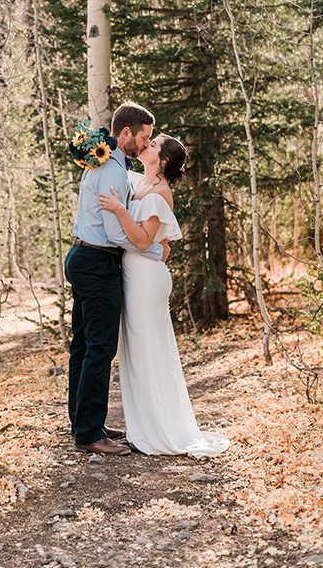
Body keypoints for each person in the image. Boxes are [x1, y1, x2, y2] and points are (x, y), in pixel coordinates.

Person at [98, 134, 230, 457]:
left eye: (154, 145)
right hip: (133, 274)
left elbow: (144, 242)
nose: (147, 146)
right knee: (134, 351)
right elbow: (156, 245)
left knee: (148, 350)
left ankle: (157, 431)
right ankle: (142, 426)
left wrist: (118, 209)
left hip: (146, 278)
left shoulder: (160, 194)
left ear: (164, 160)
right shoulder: (136, 181)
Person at [65, 101, 157, 456]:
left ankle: (84, 421)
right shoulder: (113, 170)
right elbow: (116, 233)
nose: (145, 145)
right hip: (98, 261)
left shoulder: (102, 163)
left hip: (83, 256)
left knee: (84, 345)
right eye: (143, 137)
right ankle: (89, 432)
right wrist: (149, 250)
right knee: (100, 346)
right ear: (126, 133)